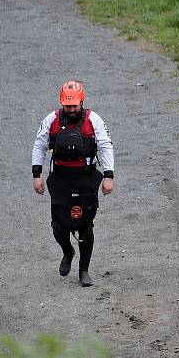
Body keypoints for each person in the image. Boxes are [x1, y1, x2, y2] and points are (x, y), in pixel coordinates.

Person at [32, 80, 114, 287]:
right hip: (60, 180)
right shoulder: (51, 120)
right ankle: (68, 251)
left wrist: (108, 176)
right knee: (59, 227)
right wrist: (37, 174)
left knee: (85, 226)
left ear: (81, 102)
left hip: (86, 178)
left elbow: (105, 146)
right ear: (62, 103)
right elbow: (39, 145)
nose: (71, 110)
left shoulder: (93, 120)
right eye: (67, 106)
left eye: (74, 106)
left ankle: (84, 270)